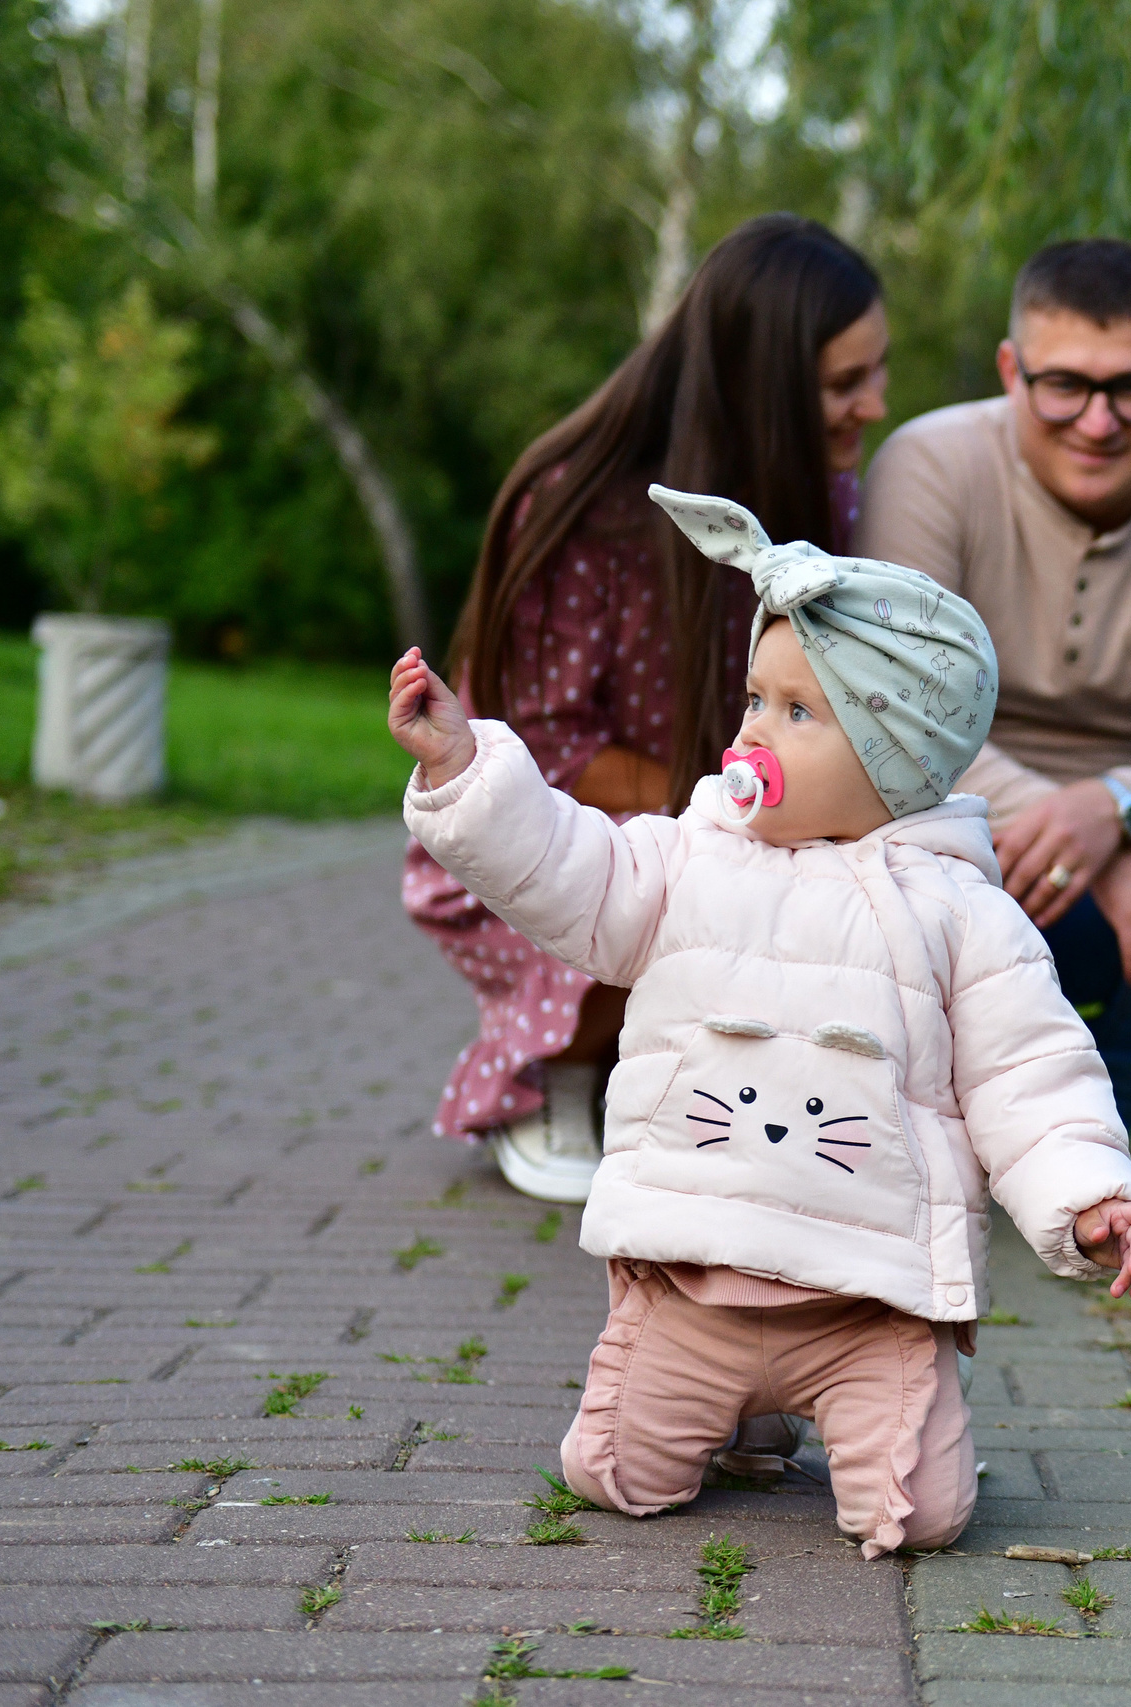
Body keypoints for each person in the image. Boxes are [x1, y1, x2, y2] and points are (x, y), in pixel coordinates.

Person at [385, 484, 1131, 1556]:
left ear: (901, 761)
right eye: (755, 698)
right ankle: (730, 1409)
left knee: (923, 1519)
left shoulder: (961, 914)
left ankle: (843, 1405)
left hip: (867, 1311)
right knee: (609, 1474)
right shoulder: (685, 856)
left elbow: (1029, 1076)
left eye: (798, 713)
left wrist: (1088, 1196)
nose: (755, 731)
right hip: (696, 1281)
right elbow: (571, 868)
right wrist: (465, 769)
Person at [405, 214, 891, 1203]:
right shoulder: (582, 506)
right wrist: (739, 806)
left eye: (877, 372)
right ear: (763, 385)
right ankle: (554, 1073)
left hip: (735, 810)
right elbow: (547, 750)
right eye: (846, 384)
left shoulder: (823, 505)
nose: (875, 406)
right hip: (567, 830)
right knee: (662, 899)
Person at [858, 239, 1131, 1126]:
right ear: (1010, 371)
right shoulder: (930, 464)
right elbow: (892, 714)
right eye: (1065, 384)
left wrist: (1117, 815)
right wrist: (1077, 839)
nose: (1098, 422)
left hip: (1128, 842)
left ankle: (1097, 1115)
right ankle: (936, 1119)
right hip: (940, 831)